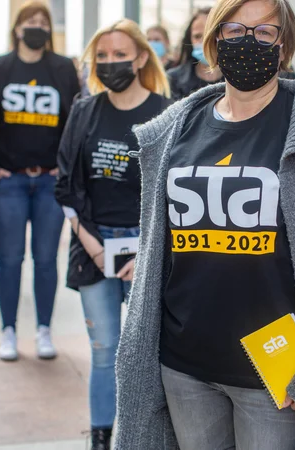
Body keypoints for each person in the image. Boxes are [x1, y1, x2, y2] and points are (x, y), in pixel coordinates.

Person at [114, 0, 295, 448]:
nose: (248, 42)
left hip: (276, 370)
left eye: (264, 33)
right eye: (234, 31)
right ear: (213, 40)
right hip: (185, 362)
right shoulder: (176, 129)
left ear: (283, 45)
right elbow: (160, 244)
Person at [56, 19, 171, 450]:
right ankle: (102, 438)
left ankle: (146, 436)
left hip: (149, 247)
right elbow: (66, 185)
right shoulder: (84, 111)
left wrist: (147, 250)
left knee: (148, 355)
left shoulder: (168, 112)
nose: (110, 64)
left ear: (141, 58)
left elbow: (174, 188)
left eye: (119, 55)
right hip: (94, 246)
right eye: (101, 57)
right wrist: (90, 241)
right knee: (105, 350)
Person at [0, 1, 81, 362]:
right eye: (30, 20)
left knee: (45, 259)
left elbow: (75, 123)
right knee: (9, 258)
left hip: (49, 184)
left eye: (43, 21)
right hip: (9, 182)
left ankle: (43, 330)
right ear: (18, 28)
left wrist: (63, 168)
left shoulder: (62, 68)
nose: (37, 26)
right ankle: (8, 331)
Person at [166, 8, 223, 100]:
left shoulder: (238, 78)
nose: (204, 42)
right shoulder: (173, 79)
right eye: (197, 36)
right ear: (190, 40)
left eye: (210, 35)